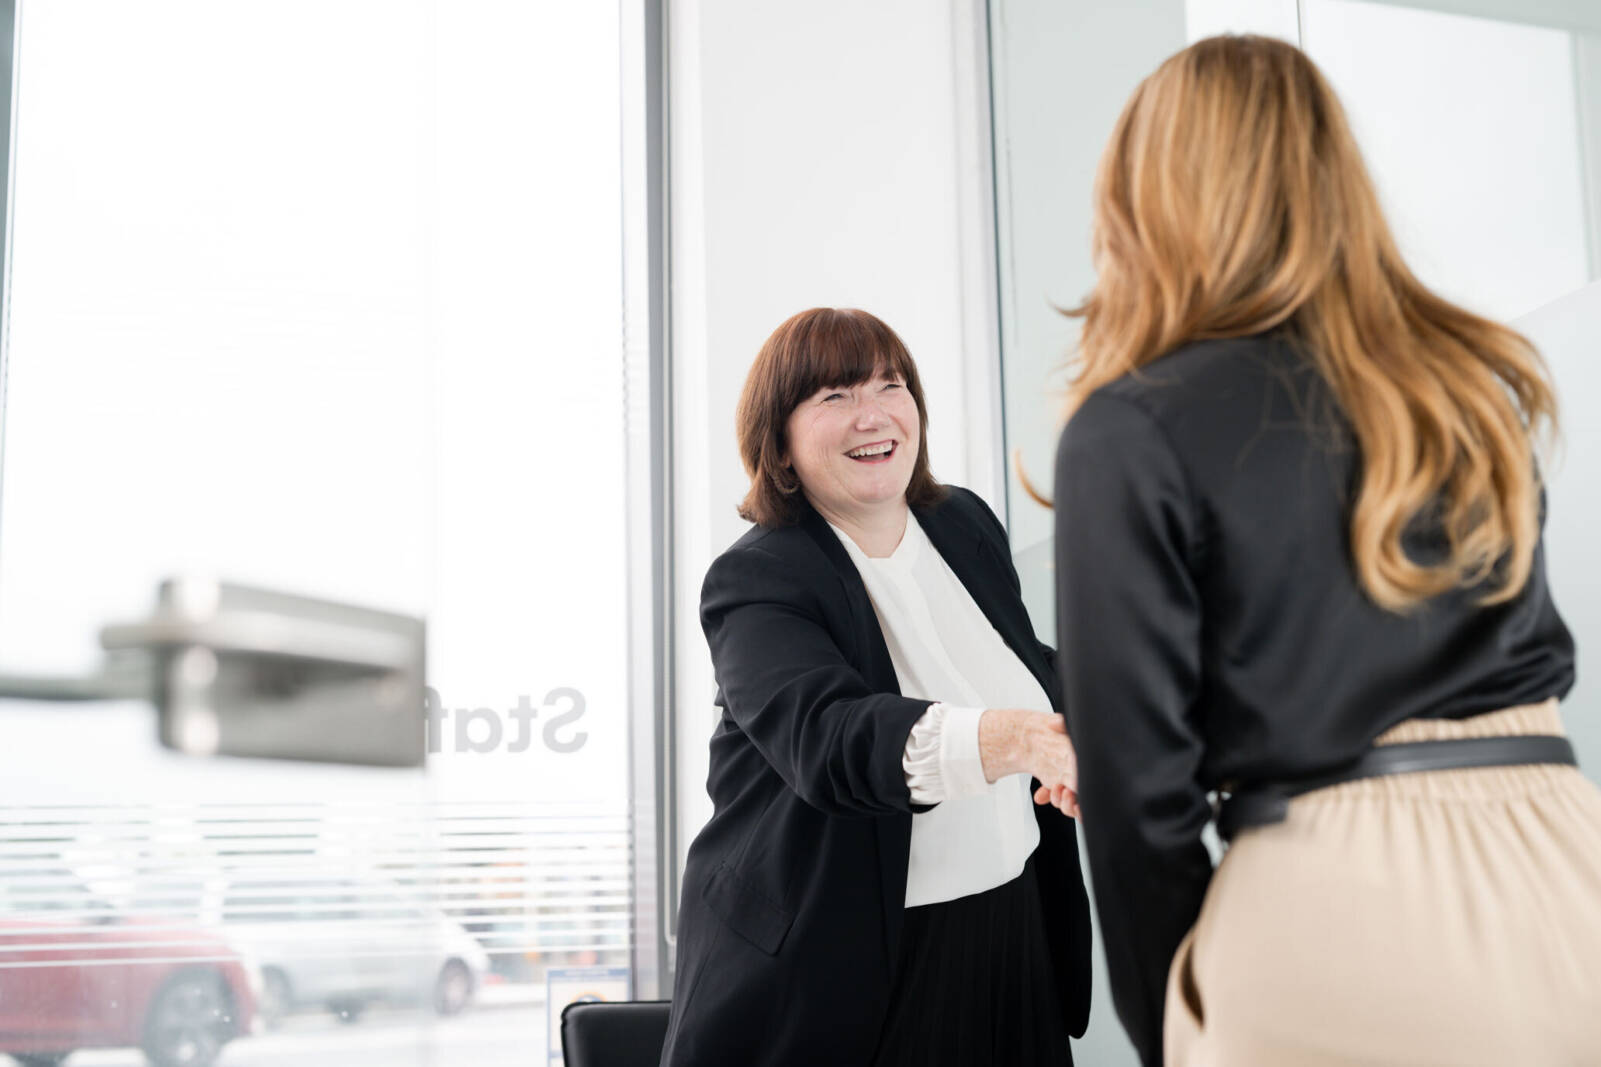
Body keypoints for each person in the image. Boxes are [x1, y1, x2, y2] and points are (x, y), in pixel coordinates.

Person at [1050, 34, 1599, 1066]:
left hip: (1332, 903)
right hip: (1568, 873)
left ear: (1143, 200)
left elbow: (1137, 809)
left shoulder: (1129, 428)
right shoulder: (1469, 390)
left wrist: (1173, 1015)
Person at [659, 307, 1092, 1067]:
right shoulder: (757, 577)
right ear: (780, 440)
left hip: (1012, 926)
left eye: (889, 384)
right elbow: (830, 738)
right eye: (832, 396)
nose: (873, 414)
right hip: (848, 960)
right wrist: (1020, 739)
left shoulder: (960, 522)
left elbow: (1020, 663)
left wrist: (1103, 716)